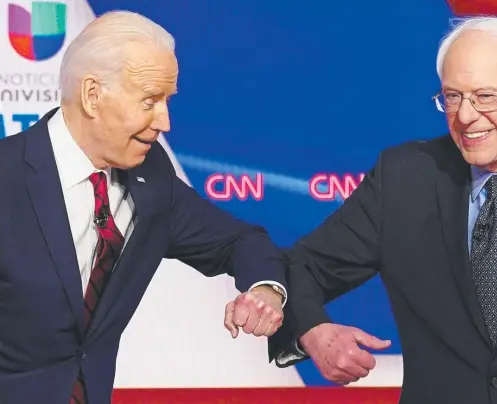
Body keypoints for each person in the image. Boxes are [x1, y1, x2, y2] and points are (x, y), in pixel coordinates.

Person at [270, 16, 497, 404]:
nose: (465, 116)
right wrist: (313, 331)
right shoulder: (403, 179)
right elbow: (300, 268)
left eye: (485, 97)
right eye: (452, 96)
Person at [0, 11, 288, 404]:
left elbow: (240, 240)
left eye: (167, 101)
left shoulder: (151, 179)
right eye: (150, 101)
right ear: (92, 95)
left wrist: (265, 291)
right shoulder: (8, 177)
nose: (164, 121)